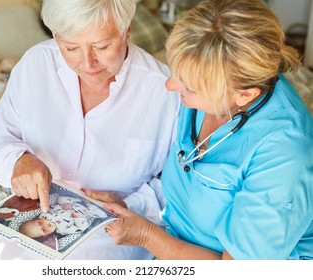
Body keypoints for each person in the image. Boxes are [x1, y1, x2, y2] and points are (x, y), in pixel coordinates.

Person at [104, 0, 313, 260]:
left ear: (244, 95)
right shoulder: (209, 89)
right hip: (170, 239)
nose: (170, 85)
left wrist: (146, 235)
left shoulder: (285, 154)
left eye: (189, 86)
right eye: (176, 71)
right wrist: (128, 203)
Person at [0, 0, 180, 260]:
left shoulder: (165, 91)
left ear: (126, 31)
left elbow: (178, 183)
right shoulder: (35, 65)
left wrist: (129, 204)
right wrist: (18, 160)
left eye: (102, 46)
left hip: (114, 227)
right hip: (31, 216)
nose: (88, 63)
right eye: (70, 47)